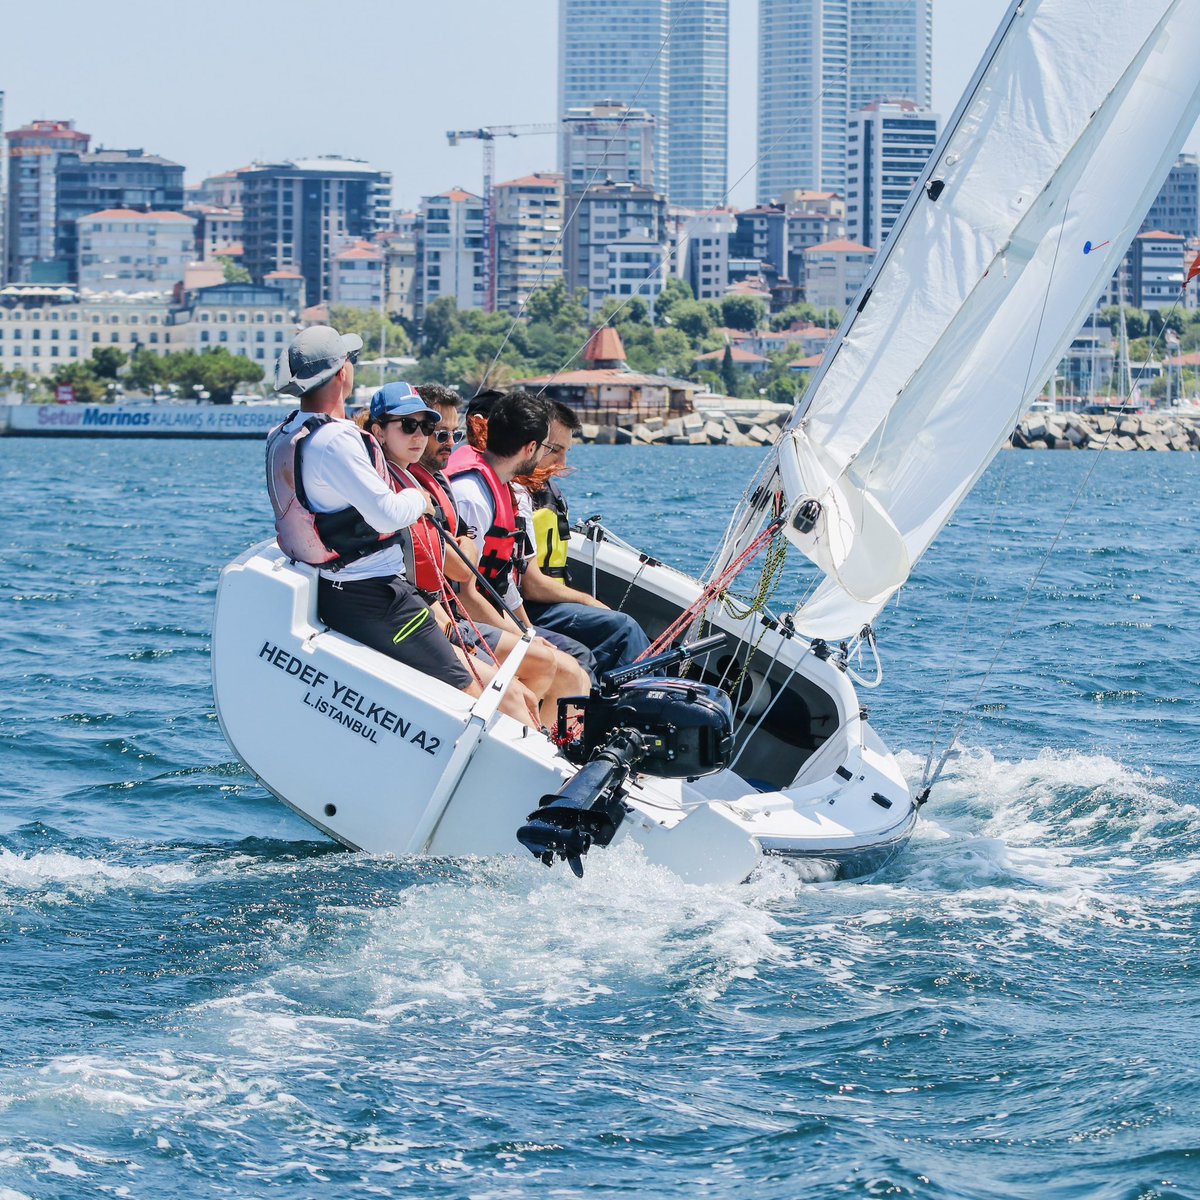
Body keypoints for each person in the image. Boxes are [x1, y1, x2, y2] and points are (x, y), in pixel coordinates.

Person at [264, 326, 535, 726]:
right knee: (487, 696)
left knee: (508, 690)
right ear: (343, 374)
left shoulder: (284, 433)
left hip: (346, 591)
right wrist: (419, 500)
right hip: (377, 598)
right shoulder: (336, 440)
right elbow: (386, 513)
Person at [364, 382, 578, 725]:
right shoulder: (400, 494)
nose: (443, 442)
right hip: (426, 614)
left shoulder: (434, 487)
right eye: (423, 429)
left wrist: (527, 632)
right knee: (526, 687)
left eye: (452, 434)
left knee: (552, 667)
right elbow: (460, 572)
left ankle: (552, 753)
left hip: (444, 610)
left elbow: (463, 562)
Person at [447, 391, 593, 697]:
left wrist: (527, 631)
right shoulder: (473, 497)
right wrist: (527, 639)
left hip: (491, 610)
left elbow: (503, 579)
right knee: (565, 668)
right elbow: (463, 594)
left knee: (577, 674)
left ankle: (564, 741)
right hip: (459, 617)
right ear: (530, 448)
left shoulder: (502, 488)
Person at [514, 400, 652, 676]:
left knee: (617, 626)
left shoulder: (546, 491)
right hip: (529, 605)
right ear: (533, 443)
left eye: (567, 452)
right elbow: (531, 586)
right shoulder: (515, 494)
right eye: (555, 450)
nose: (563, 463)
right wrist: (587, 601)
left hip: (549, 600)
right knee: (622, 629)